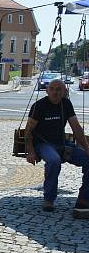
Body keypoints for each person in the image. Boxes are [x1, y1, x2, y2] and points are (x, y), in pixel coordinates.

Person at [24, 78, 89, 216]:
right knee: (54, 161)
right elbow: (28, 130)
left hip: (62, 144)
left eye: (59, 89)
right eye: (52, 89)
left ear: (65, 91)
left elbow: (76, 128)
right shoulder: (39, 106)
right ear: (47, 91)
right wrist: (30, 151)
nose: (55, 92)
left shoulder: (66, 104)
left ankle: (84, 199)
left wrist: (87, 148)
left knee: (88, 159)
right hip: (43, 145)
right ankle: (49, 199)